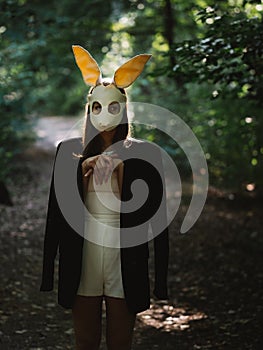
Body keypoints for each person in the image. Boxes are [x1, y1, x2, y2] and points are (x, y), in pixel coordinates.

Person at [40, 45, 169, 350]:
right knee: (85, 340)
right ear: (89, 108)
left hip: (124, 255)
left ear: (123, 107)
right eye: (96, 107)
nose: (104, 113)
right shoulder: (68, 151)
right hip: (82, 253)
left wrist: (122, 170)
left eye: (112, 107)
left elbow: (157, 219)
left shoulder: (145, 153)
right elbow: (56, 214)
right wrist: (48, 273)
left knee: (120, 340)